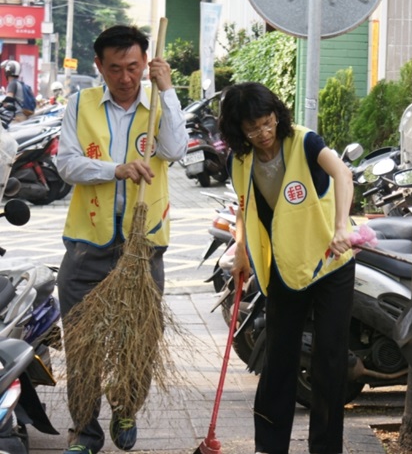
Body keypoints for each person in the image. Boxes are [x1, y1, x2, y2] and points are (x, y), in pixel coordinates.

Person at [55, 25, 188, 454]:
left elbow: (175, 150)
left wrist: (166, 91)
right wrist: (115, 168)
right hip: (86, 245)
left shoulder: (158, 103)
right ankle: (84, 432)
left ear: (145, 63)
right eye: (116, 69)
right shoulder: (81, 104)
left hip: (143, 246)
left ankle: (126, 405)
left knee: (140, 342)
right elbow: (68, 166)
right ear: (100, 67)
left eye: (134, 67)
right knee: (82, 346)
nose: (126, 78)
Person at [218, 82, 356, 454]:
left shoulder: (305, 142)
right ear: (238, 131)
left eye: (268, 122)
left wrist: (343, 225)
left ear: (277, 114)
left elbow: (343, 175)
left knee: (329, 358)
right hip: (283, 265)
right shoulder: (239, 161)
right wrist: (242, 251)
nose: (263, 134)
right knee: (278, 356)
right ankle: (269, 445)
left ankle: (326, 449)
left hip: (330, 264)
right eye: (252, 129)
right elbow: (245, 208)